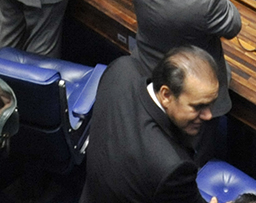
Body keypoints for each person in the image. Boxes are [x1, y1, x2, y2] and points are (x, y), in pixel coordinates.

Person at [81, 46, 219, 203]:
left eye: (211, 104)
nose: (209, 115)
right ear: (166, 95)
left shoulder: (122, 68)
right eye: (198, 106)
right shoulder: (173, 168)